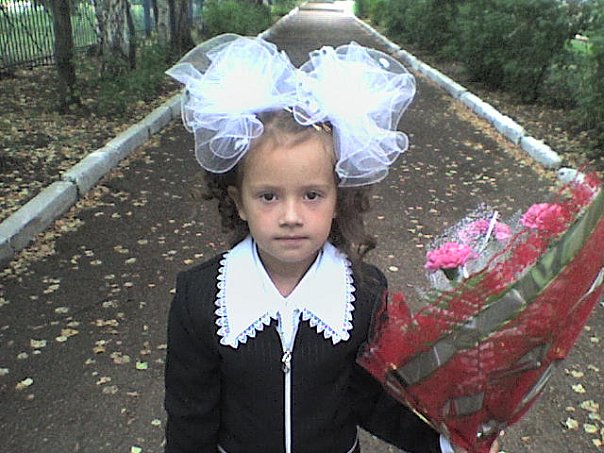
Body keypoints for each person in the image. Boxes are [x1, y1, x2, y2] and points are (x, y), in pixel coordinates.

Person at [163, 34, 498, 453]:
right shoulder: (200, 298)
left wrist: (449, 442)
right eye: (268, 196)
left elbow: (374, 399)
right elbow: (190, 418)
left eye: (312, 195)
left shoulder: (363, 293)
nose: (291, 215)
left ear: (338, 199)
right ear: (239, 202)